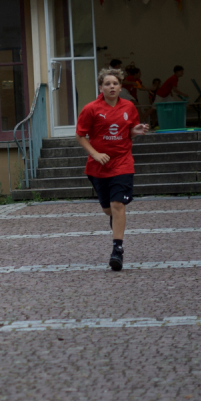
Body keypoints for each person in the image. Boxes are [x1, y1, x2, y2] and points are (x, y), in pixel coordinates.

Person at [76, 66, 150, 271]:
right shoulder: (91, 109)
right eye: (107, 83)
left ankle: (117, 250)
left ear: (120, 87)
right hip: (98, 166)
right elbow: (80, 135)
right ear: (101, 87)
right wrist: (95, 154)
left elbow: (129, 130)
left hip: (122, 162)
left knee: (118, 205)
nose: (111, 87)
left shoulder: (129, 107)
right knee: (108, 209)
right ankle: (115, 219)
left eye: (115, 83)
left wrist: (136, 130)